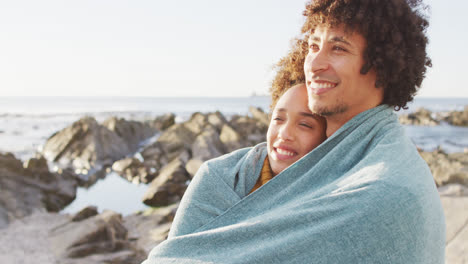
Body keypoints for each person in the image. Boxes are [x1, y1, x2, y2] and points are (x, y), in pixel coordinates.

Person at [143, 0, 445, 263]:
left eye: (338, 48)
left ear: (383, 65)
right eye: (313, 46)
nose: (314, 64)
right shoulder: (227, 177)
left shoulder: (383, 192)